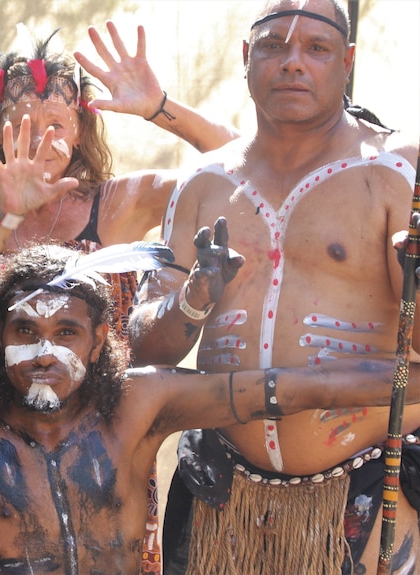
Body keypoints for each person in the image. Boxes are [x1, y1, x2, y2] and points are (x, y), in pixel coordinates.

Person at [0, 242, 419, 575]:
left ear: (99, 344)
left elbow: (301, 385)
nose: (44, 352)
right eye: (25, 332)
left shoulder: (144, 402)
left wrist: (403, 380)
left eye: (67, 333)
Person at [125, 0, 420, 573]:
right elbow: (144, 345)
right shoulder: (203, 185)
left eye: (316, 48)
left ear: (347, 62)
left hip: (363, 493)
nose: (292, 63)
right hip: (223, 498)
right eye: (273, 46)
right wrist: (193, 298)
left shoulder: (396, 173)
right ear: (245, 57)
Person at [0, 26, 239, 569]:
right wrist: (4, 216)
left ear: (80, 129)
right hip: (0, 450)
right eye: (21, 124)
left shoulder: (120, 203)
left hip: (109, 445)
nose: (38, 139)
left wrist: (160, 107)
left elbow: (242, 163)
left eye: (56, 124)